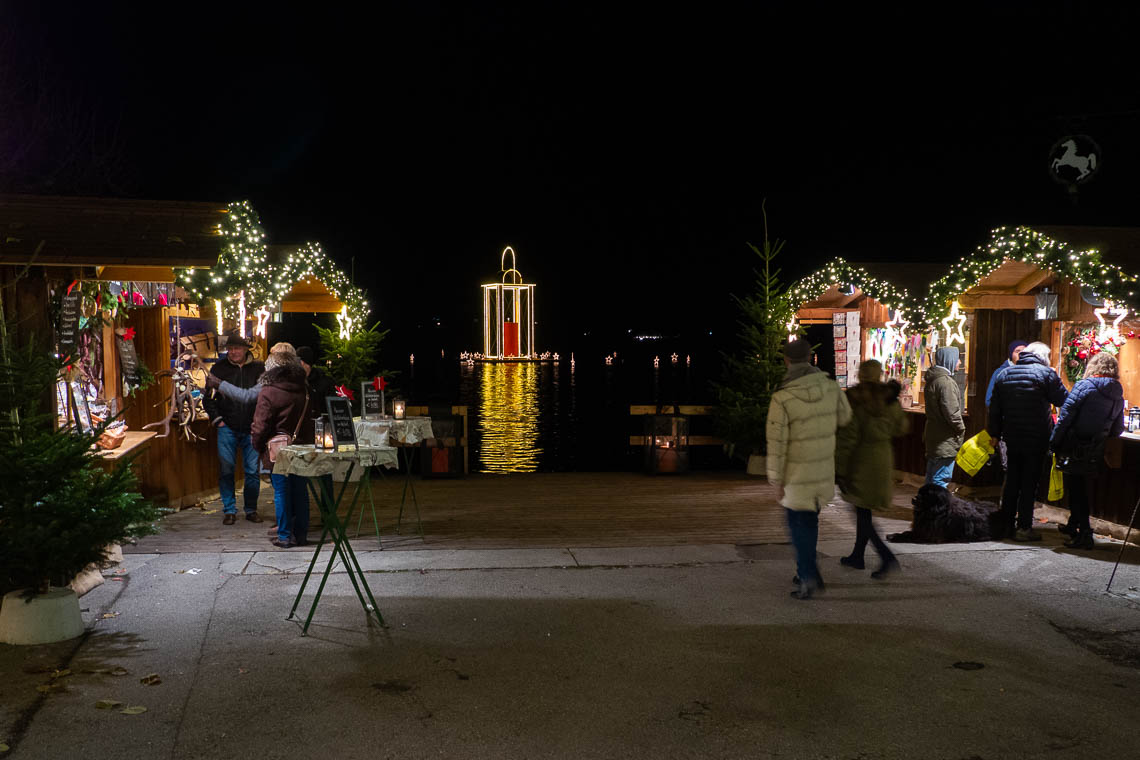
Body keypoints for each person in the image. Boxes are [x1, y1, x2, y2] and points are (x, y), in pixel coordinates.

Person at [767, 338, 852, 600]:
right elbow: (845, 417)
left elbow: (777, 442)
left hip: (795, 474)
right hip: (822, 468)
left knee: (796, 524)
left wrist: (776, 478)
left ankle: (807, 576)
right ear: (809, 358)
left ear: (787, 361)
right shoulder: (831, 388)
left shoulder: (783, 397)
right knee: (810, 521)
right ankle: (807, 570)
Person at [835, 360, 908, 578]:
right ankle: (857, 555)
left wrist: (839, 468)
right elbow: (902, 427)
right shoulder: (889, 399)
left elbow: (848, 438)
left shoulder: (856, 400)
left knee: (861, 511)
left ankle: (887, 557)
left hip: (861, 460)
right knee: (863, 510)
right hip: (883, 458)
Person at [988, 341, 1068, 541]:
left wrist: (995, 434)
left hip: (1012, 437)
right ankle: (1024, 527)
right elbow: (1064, 400)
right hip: (1037, 438)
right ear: (1043, 357)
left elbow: (995, 410)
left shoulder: (1005, 374)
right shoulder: (1046, 374)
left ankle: (1006, 525)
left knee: (1013, 481)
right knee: (1029, 483)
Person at [1049, 353, 1124, 550]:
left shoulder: (1084, 386)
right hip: (1095, 449)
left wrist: (1054, 442)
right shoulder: (1117, 393)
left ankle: (1085, 534)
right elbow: (1117, 429)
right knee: (1081, 488)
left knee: (1076, 490)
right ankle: (1074, 524)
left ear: (1093, 367)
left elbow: (1065, 416)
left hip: (1075, 446)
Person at [250, 346, 312, 548]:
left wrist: (258, 446)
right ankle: (301, 534)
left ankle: (285, 536)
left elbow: (260, 425)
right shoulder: (304, 389)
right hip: (302, 447)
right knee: (301, 491)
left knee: (281, 492)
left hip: (279, 449)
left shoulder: (269, 391)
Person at [203, 331, 265, 525]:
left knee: (252, 472)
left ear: (246, 349)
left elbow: (262, 398)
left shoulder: (258, 369)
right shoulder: (219, 369)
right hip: (227, 426)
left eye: (237, 348)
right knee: (227, 469)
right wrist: (218, 419)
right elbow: (208, 399)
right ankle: (229, 509)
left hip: (251, 428)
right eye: (230, 348)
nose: (233, 352)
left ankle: (251, 509)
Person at [923, 346, 965, 488]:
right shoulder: (945, 382)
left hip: (934, 436)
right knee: (940, 480)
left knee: (931, 477)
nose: (959, 362)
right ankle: (936, 509)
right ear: (949, 360)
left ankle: (926, 507)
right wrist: (961, 429)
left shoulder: (933, 380)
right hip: (945, 439)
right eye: (957, 358)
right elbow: (952, 413)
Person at [296, 345, 336, 418]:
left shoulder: (325, 382)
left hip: (320, 424)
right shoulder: (296, 381)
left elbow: (332, 407)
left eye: (298, 361)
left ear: (303, 362)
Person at [985, 340, 1028, 408]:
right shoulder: (1000, 373)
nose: (1021, 354)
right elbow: (989, 400)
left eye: (1024, 351)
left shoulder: (1033, 372)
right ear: (1011, 354)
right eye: (1017, 351)